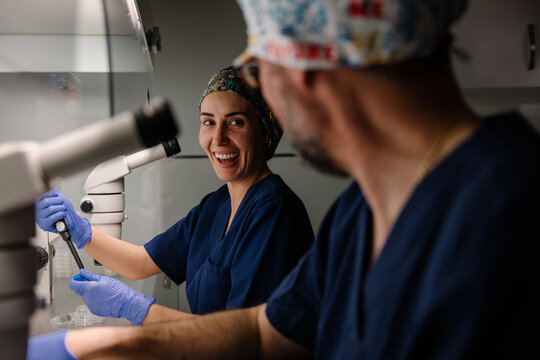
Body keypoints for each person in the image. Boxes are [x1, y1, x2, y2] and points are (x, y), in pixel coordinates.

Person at [28, 0, 540, 358]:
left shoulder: (503, 214)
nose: (263, 83)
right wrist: (91, 347)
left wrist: (131, 319)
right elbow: (265, 334)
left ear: (309, 64)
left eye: (260, 62)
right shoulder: (364, 209)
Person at [34, 66, 314, 325]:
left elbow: (243, 337)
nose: (218, 139)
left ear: (265, 131)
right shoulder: (216, 205)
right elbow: (140, 262)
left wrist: (134, 307)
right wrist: (78, 228)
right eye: (208, 122)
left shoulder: (275, 212)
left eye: (236, 122)